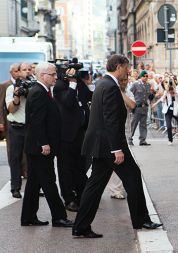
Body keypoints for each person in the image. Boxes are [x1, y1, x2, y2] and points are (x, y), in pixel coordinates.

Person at [73, 55, 162, 239]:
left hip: (101, 145)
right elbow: (111, 120)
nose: (128, 71)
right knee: (133, 177)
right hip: (110, 146)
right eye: (127, 67)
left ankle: (80, 226)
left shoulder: (102, 84)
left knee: (95, 185)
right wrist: (116, 149)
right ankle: (141, 220)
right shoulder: (111, 87)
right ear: (119, 66)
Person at [21, 62, 74, 227]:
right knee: (49, 182)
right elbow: (36, 122)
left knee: (34, 184)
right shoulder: (38, 92)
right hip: (40, 148)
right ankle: (59, 217)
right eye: (53, 74)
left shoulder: (43, 91)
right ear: (43, 75)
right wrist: (43, 143)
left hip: (38, 147)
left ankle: (28, 218)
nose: (56, 77)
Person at [53, 68, 93, 212]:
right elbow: (68, 102)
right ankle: (69, 199)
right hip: (65, 135)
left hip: (81, 133)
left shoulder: (80, 84)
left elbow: (89, 96)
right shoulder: (59, 86)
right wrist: (72, 83)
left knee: (80, 166)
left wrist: (84, 82)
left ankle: (82, 196)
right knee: (65, 169)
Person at [5, 62, 31, 198]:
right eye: (24, 70)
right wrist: (17, 97)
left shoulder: (34, 87)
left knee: (33, 158)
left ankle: (35, 188)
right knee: (15, 158)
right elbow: (11, 109)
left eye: (29, 69)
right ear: (18, 72)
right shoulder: (11, 88)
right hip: (16, 127)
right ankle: (15, 188)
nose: (27, 72)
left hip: (31, 128)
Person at [107, 73, 136, 200]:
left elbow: (132, 105)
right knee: (117, 160)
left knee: (119, 162)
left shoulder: (127, 92)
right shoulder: (111, 91)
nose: (124, 82)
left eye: (126, 80)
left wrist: (120, 92)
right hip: (115, 132)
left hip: (126, 131)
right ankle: (116, 189)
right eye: (122, 80)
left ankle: (118, 187)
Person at [0, 63, 20, 160]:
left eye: (18, 71)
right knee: (11, 146)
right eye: (16, 71)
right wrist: (1, 122)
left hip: (22, 119)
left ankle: (24, 171)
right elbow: (0, 105)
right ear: (11, 72)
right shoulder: (4, 85)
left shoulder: (25, 83)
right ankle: (14, 168)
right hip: (9, 120)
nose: (18, 73)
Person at [128, 70, 153, 146]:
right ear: (141, 76)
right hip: (137, 107)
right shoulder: (135, 84)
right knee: (134, 124)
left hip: (145, 107)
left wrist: (152, 95)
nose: (145, 78)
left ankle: (142, 140)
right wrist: (131, 104)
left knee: (143, 124)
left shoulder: (148, 85)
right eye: (144, 76)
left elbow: (148, 96)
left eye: (146, 76)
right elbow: (129, 93)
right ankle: (129, 138)